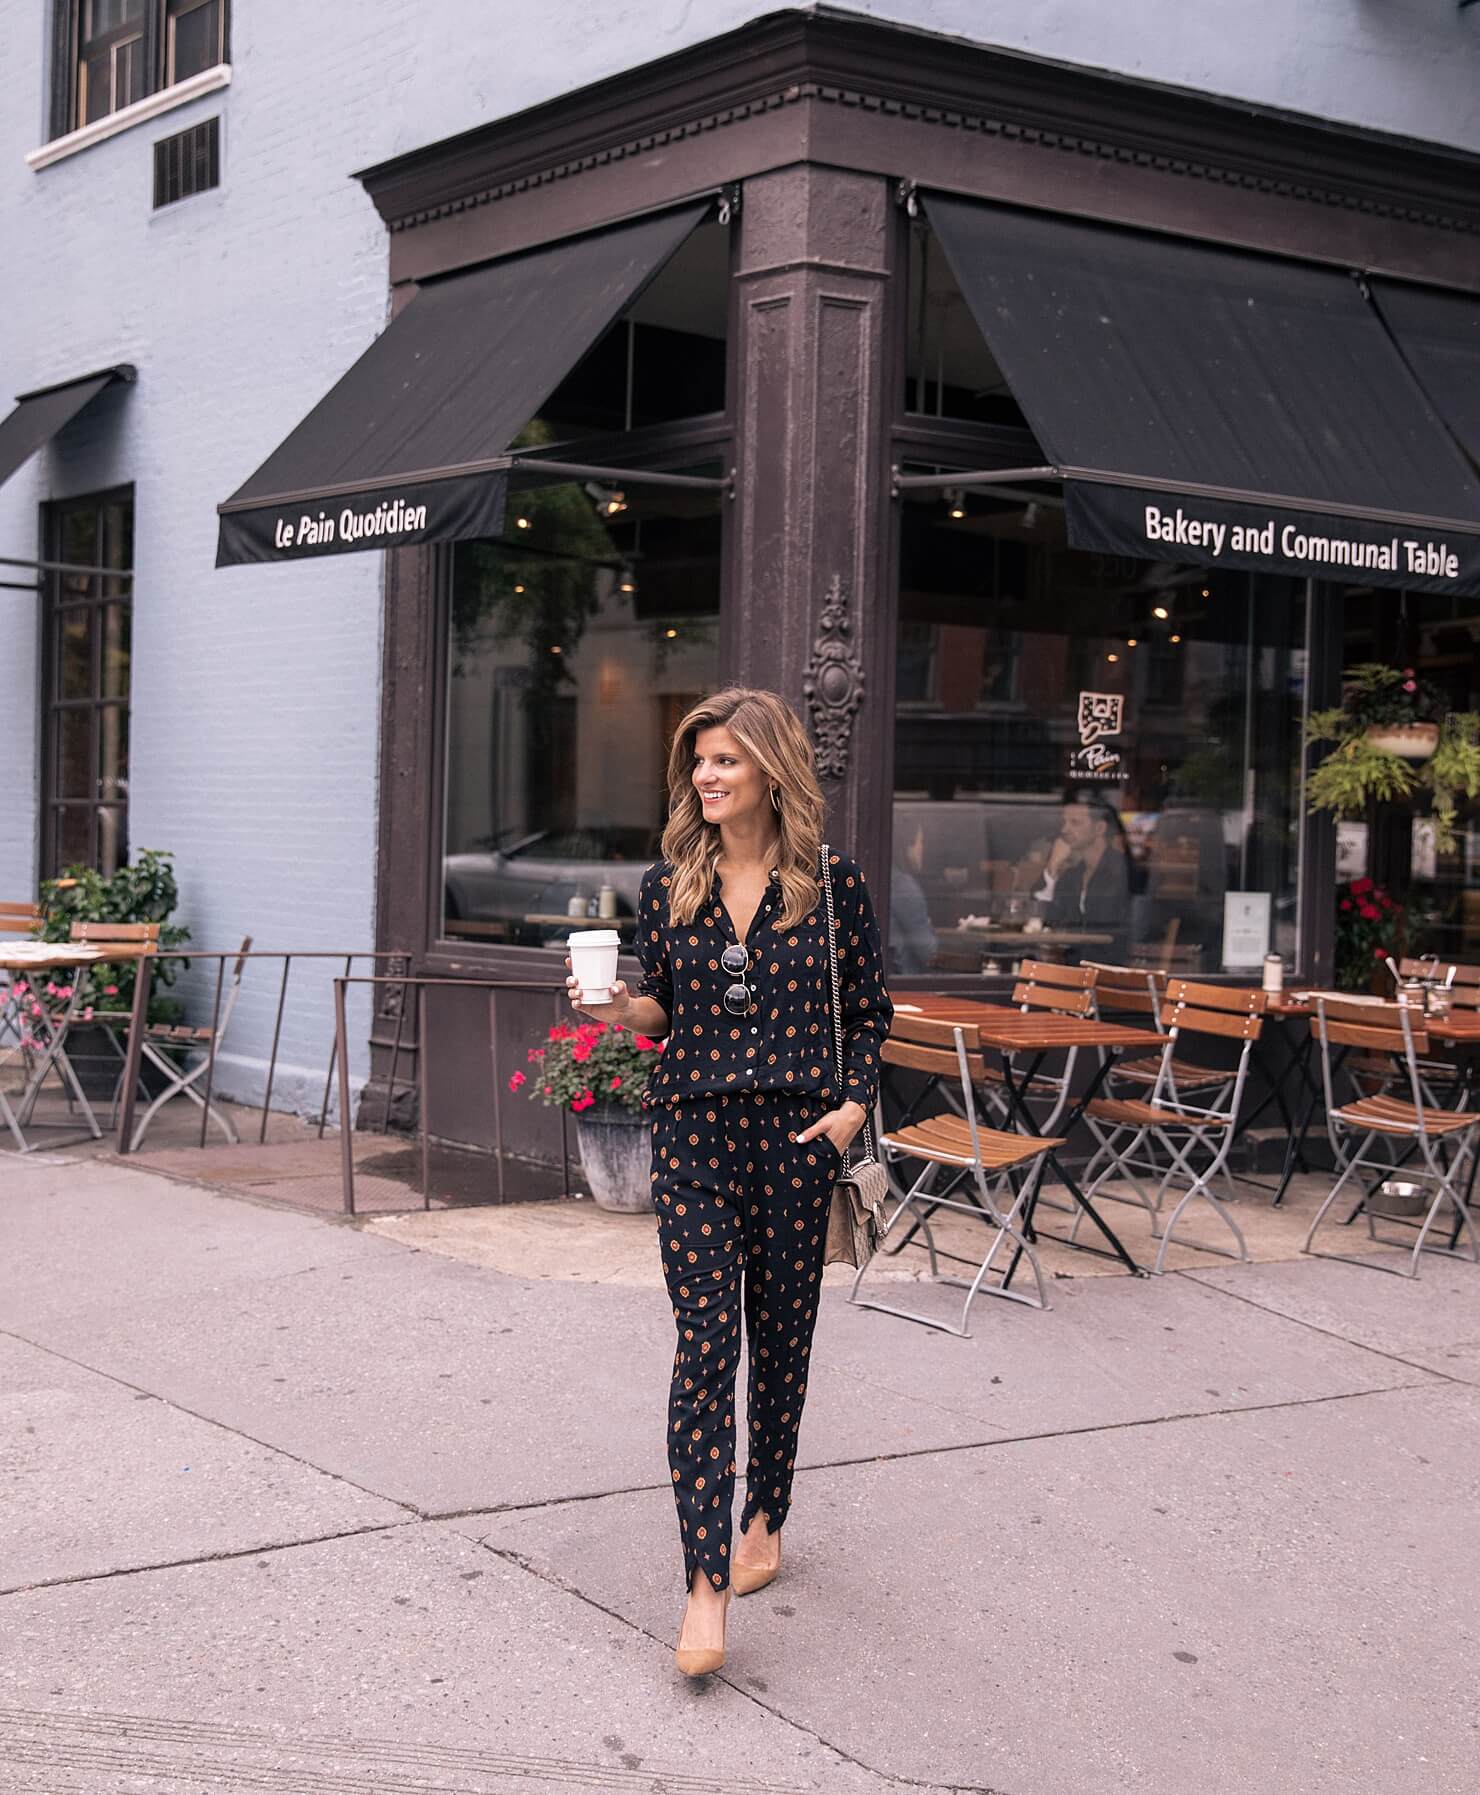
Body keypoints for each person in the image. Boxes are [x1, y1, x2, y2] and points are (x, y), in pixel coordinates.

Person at [566, 687, 892, 1678]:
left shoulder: (831, 887)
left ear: (770, 771)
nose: (706, 775)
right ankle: (703, 1583)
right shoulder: (673, 883)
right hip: (695, 1138)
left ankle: (766, 1514)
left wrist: (849, 1108)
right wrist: (619, 1008)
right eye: (698, 761)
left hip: (797, 1141)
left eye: (725, 761)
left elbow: (871, 1012)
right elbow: (664, 1010)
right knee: (707, 1348)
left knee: (782, 1343)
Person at [1032, 790, 1132, 957]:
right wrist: (1052, 868)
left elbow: (1108, 930)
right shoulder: (1073, 875)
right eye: (1064, 822)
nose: (1064, 829)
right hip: (1073, 966)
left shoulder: (1119, 870)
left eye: (1075, 823)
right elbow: (1042, 921)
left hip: (1109, 966)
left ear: (1099, 828)